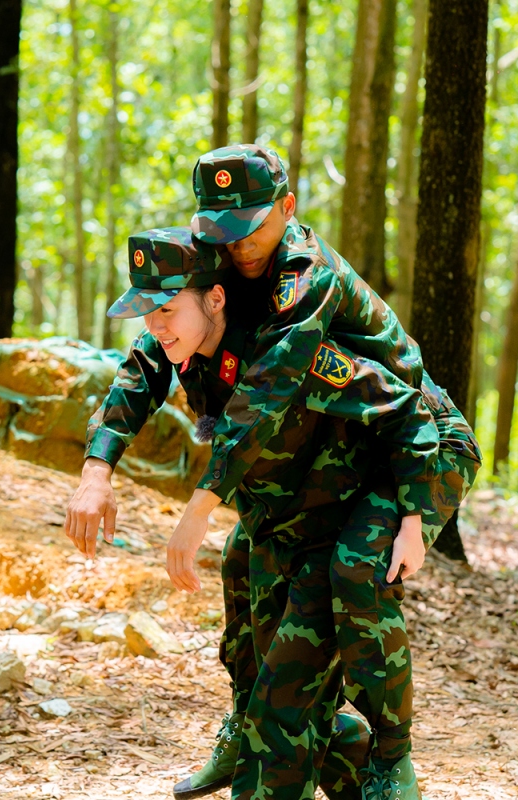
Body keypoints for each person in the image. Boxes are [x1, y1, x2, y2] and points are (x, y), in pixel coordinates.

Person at [67, 228, 481, 799]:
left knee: (287, 692)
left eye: (166, 309)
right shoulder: (180, 343)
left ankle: (392, 758)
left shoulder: (287, 347)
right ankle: (322, 762)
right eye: (148, 314)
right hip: (303, 496)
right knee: (259, 635)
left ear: (215, 299)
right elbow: (137, 380)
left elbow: (405, 412)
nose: (157, 326)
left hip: (381, 477)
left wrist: (412, 517)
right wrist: (97, 471)